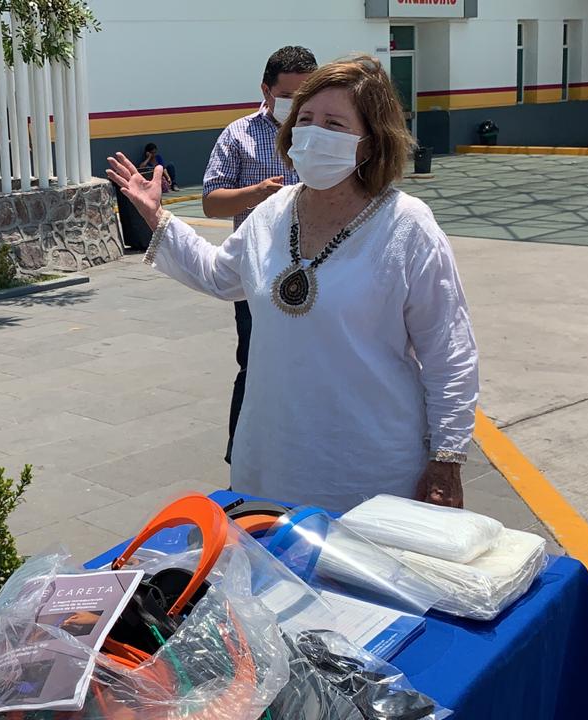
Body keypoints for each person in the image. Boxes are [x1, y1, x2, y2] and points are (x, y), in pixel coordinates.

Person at [106, 56, 478, 512]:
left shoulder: (407, 226)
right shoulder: (273, 211)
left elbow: (449, 354)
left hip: (370, 469)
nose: (313, 133)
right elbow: (218, 275)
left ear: (370, 143)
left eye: (334, 124)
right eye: (305, 119)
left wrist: (446, 459)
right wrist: (156, 216)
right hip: (272, 458)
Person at [201, 45, 317, 466]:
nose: (296, 105)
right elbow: (211, 202)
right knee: (255, 363)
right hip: (258, 274)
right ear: (265, 90)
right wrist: (257, 194)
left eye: (306, 95)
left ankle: (303, 450)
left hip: (321, 268)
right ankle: (243, 457)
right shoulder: (239, 135)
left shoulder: (324, 132)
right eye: (287, 96)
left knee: (315, 366)